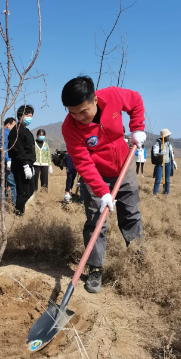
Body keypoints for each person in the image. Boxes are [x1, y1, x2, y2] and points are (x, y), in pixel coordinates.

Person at [61, 75, 146, 294]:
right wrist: (102, 192)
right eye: (72, 112)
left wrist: (137, 128)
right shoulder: (69, 128)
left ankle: (139, 259)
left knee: (131, 214)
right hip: (95, 175)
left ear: (95, 100)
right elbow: (83, 162)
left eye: (83, 111)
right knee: (96, 221)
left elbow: (136, 100)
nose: (79, 117)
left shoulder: (113, 96)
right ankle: (95, 268)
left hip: (124, 166)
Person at [8, 105, 36, 216]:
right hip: (21, 165)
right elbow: (18, 150)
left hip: (28, 164)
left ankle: (19, 210)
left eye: (31, 115)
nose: (30, 117)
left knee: (30, 190)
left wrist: (30, 165)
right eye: (27, 115)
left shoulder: (26, 130)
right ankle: (18, 213)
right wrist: (25, 165)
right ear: (20, 116)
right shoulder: (16, 131)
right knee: (23, 191)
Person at [0, 117, 17, 203]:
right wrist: (8, 160)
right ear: (8, 124)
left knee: (1, 183)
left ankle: (1, 203)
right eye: (14, 125)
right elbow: (3, 148)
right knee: (12, 184)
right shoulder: (4, 133)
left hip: (1, 162)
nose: (15, 128)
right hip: (4, 162)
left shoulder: (2, 132)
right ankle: (15, 204)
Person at [152, 129, 176, 196]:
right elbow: (154, 153)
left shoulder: (169, 144)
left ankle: (166, 193)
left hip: (168, 164)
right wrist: (160, 153)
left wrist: (173, 161)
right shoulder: (158, 143)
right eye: (168, 136)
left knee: (167, 180)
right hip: (160, 164)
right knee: (158, 180)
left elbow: (171, 153)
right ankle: (155, 194)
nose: (169, 137)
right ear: (164, 136)